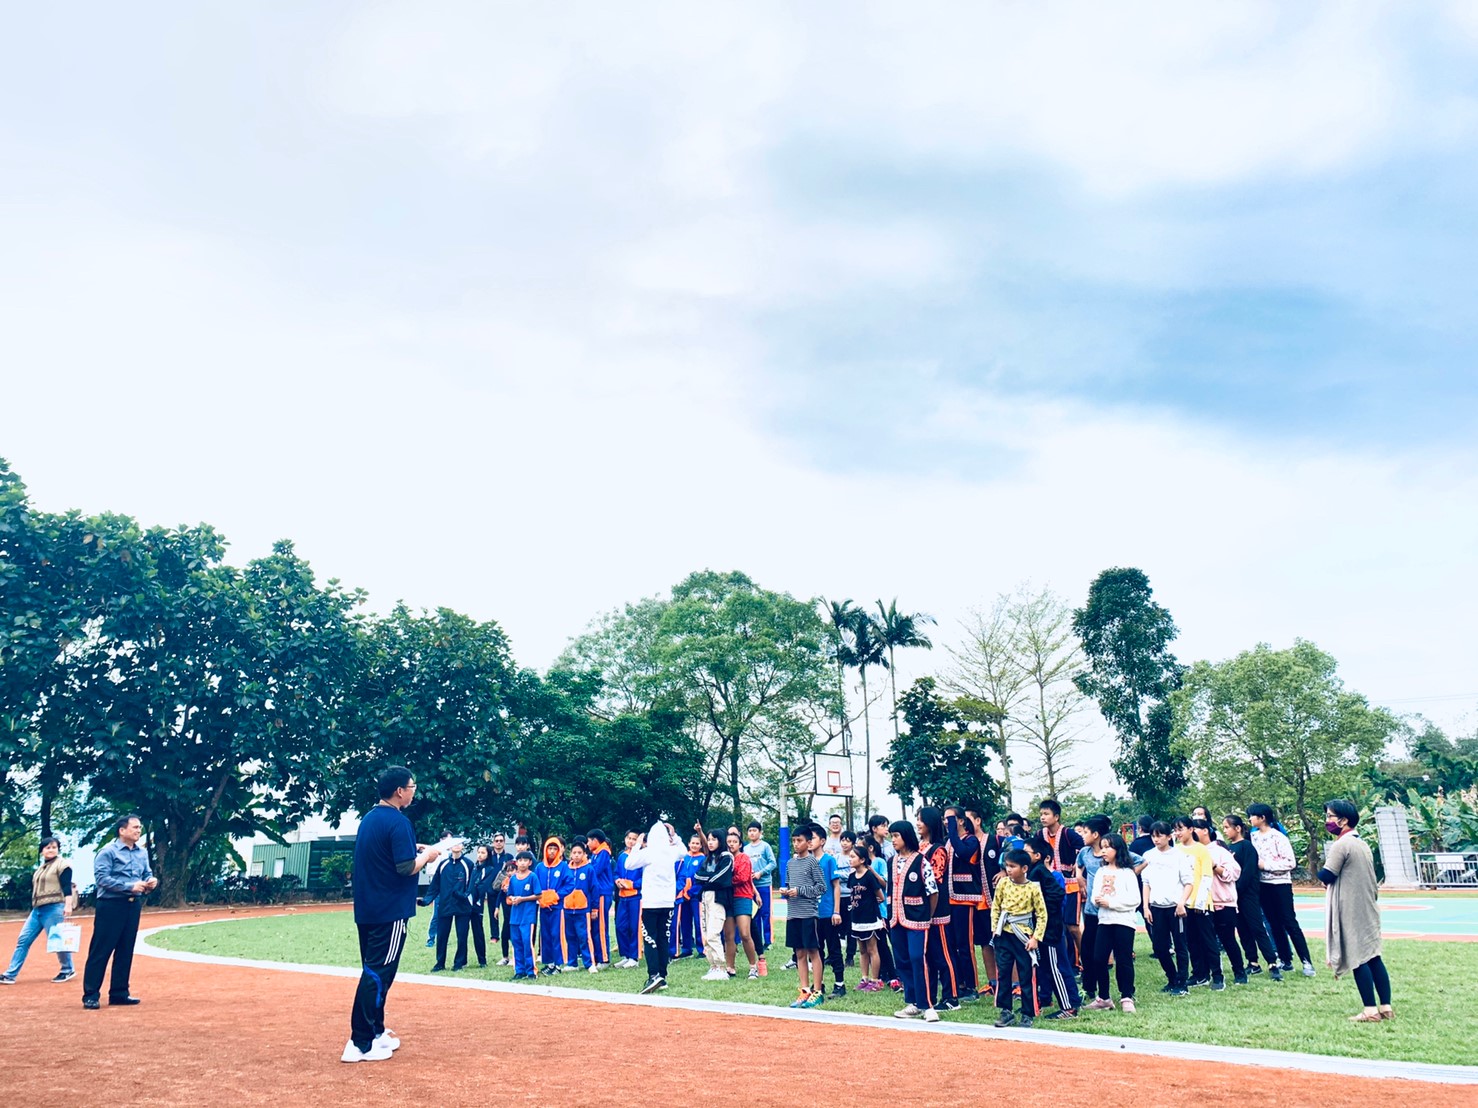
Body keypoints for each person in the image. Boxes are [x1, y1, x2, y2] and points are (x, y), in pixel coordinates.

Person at [343, 768, 440, 1062]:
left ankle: (376, 1031)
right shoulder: (399, 822)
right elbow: (405, 867)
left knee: (376, 970)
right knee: (378, 973)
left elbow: (384, 856)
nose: (414, 792)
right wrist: (427, 856)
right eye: (412, 787)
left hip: (368, 909)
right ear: (400, 791)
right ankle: (359, 1043)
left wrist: (414, 848)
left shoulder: (369, 819)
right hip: (390, 911)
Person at [1319, 799, 1391, 1022]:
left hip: (1351, 907)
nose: (1327, 821)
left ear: (1343, 820)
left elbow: (1327, 874)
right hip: (1367, 905)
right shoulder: (1362, 843)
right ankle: (1386, 1006)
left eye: (1330, 816)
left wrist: (1320, 876)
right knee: (1374, 956)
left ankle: (1369, 1010)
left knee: (1358, 958)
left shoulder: (1342, 845)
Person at [82, 814, 157, 1012]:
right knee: (101, 950)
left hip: (132, 905)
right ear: (122, 830)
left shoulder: (142, 853)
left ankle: (119, 993)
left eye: (139, 827)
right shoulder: (107, 852)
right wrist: (129, 886)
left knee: (125, 949)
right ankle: (91, 994)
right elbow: (102, 879)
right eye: (134, 827)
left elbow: (146, 873)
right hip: (110, 905)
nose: (138, 830)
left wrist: (151, 881)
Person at [1248, 803, 1316, 977]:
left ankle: (1306, 961)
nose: (1250, 819)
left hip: (1280, 885)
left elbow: (1290, 862)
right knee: (1273, 923)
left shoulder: (1278, 837)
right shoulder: (1253, 837)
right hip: (1263, 885)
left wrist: (1266, 865)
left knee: (1289, 922)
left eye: (1252, 816)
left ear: (1262, 818)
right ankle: (1285, 960)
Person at [2, 835, 78, 985]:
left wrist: (68, 905)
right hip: (38, 909)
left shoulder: (63, 865)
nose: (51, 850)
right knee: (23, 940)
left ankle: (67, 969)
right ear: (42, 851)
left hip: (54, 907)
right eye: (47, 847)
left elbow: (66, 886)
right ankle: (10, 974)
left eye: (54, 847)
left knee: (58, 940)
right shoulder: (41, 868)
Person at [886, 820, 939, 1023]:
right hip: (895, 919)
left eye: (896, 836)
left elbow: (932, 891)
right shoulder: (891, 862)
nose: (893, 840)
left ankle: (927, 1004)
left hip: (917, 919)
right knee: (902, 960)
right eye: (891, 836)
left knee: (918, 958)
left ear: (906, 836)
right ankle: (912, 1001)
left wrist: (927, 915)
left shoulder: (921, 861)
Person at [1025, 835, 1081, 1019]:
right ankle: (1059, 1001)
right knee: (1050, 967)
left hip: (1050, 929)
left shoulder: (1040, 872)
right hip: (1046, 928)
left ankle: (1069, 1007)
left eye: (1026, 852)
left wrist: (1042, 912)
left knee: (1056, 968)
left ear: (1038, 856)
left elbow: (1057, 894)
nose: (1023, 856)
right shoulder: (1035, 871)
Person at [1221, 814, 1283, 981]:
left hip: (1247, 895)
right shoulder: (1228, 848)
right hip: (1234, 897)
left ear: (1238, 828)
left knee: (1257, 928)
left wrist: (1238, 889)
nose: (1225, 830)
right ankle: (1253, 962)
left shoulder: (1247, 847)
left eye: (1227, 827)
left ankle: (1272, 962)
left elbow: (1248, 873)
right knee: (1242, 929)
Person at [990, 848, 1047, 1028]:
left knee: (1026, 975)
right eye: (1007, 865)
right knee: (1003, 973)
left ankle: (1028, 1012)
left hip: (1023, 937)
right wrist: (995, 929)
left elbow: (1042, 914)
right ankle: (1006, 1010)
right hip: (1004, 934)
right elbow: (996, 907)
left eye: (1013, 866)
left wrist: (1035, 938)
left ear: (1024, 868)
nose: (1008, 869)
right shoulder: (1003, 884)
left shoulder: (1033, 888)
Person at [627, 819, 685, 994]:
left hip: (651, 902)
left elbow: (629, 864)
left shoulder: (648, 852)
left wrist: (637, 845)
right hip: (668, 902)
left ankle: (654, 975)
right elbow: (683, 851)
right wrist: (675, 836)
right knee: (663, 938)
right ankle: (663, 975)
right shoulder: (671, 851)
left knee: (649, 938)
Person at [1086, 833, 1140, 1013]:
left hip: (1124, 922)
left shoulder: (1127, 873)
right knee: (1098, 958)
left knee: (1123, 959)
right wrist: (1098, 901)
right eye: (1102, 847)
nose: (1103, 851)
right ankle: (1103, 997)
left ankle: (1127, 996)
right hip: (1104, 921)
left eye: (1108, 847)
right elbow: (1094, 894)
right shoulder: (1101, 871)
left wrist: (1111, 903)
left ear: (1118, 849)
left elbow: (1135, 899)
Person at [1140, 821, 1192, 997]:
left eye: (1159, 835)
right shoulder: (1148, 856)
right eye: (1153, 836)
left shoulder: (1179, 855)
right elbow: (1146, 883)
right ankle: (1172, 977)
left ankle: (1182, 982)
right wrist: (1146, 907)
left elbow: (1188, 882)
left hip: (1175, 907)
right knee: (1160, 947)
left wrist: (1182, 903)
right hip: (1156, 907)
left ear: (1169, 836)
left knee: (1180, 945)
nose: (1156, 839)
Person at [915, 806, 959, 1012]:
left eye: (921, 820)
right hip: (922, 908)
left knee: (943, 955)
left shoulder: (938, 849)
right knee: (928, 956)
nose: (918, 823)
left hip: (938, 909)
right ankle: (929, 995)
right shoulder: (919, 847)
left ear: (930, 823)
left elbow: (936, 878)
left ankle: (952, 997)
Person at [779, 827, 825, 1008]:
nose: (796, 844)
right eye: (793, 841)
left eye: (799, 840)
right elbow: (789, 884)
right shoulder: (790, 863)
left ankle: (817, 991)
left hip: (808, 913)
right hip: (793, 913)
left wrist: (800, 891)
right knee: (799, 952)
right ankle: (804, 991)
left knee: (813, 951)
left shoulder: (812, 862)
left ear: (808, 842)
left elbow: (821, 887)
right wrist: (786, 891)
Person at [1037, 799, 1085, 973]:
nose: (1043, 817)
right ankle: (1064, 964)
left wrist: (1077, 867)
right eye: (1041, 814)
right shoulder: (1039, 834)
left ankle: (1086, 961)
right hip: (1049, 886)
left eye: (1046, 814)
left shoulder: (1068, 834)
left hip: (1069, 885)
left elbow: (1083, 849)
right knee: (1058, 927)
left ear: (1056, 817)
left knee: (1072, 927)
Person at [1172, 816, 1219, 989]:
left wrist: (1200, 902)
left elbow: (1207, 876)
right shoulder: (1176, 850)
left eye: (1180, 829)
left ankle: (1217, 975)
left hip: (1201, 903)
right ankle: (1199, 974)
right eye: (1175, 830)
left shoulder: (1201, 850)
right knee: (1191, 941)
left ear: (1191, 829)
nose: (1177, 833)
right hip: (1184, 904)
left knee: (1208, 940)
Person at [1198, 820, 1248, 985]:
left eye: (1195, 829)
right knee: (1207, 941)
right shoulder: (1192, 852)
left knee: (1228, 939)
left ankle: (1239, 972)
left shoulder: (1220, 851)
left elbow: (1233, 873)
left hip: (1223, 902)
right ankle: (1212, 974)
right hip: (1202, 904)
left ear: (1205, 831)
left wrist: (1214, 866)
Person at [943, 807, 983, 1002]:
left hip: (965, 899)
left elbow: (964, 853)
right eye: (945, 819)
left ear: (960, 821)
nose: (946, 822)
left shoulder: (971, 841)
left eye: (950, 819)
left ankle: (972, 986)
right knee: (950, 944)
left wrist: (952, 829)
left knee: (965, 945)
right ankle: (958, 983)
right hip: (948, 899)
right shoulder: (948, 842)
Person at [421, 839, 476, 972]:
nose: (456, 846)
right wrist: (426, 900)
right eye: (454, 844)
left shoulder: (468, 864)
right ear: (449, 847)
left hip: (462, 906)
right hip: (445, 905)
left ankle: (459, 963)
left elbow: (471, 885)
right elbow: (435, 885)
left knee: (462, 936)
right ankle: (440, 963)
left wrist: (464, 896)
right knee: (441, 935)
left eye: (459, 843)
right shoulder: (443, 864)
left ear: (463, 847)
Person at [692, 823, 734, 981]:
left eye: (714, 839)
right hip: (705, 898)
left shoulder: (726, 857)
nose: (710, 842)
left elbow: (721, 878)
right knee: (705, 933)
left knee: (713, 933)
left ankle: (721, 967)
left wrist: (706, 880)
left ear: (720, 841)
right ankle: (713, 966)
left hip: (718, 898)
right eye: (709, 839)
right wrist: (707, 880)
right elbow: (697, 876)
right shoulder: (708, 858)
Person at [810, 823, 846, 997]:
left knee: (834, 949)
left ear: (823, 841)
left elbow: (836, 886)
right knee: (815, 950)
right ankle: (819, 984)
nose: (809, 841)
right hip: (812, 914)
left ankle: (840, 984)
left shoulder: (829, 860)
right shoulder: (806, 862)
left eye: (812, 838)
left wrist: (836, 911)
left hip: (827, 912)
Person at [846, 839, 887, 991]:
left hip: (870, 918)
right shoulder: (851, 877)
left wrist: (870, 903)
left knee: (872, 949)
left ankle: (875, 981)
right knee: (862, 950)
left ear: (862, 860)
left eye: (853, 857)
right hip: (857, 918)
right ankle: (864, 978)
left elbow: (880, 896)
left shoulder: (869, 876)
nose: (850, 860)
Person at [725, 827, 760, 980]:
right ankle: (730, 967)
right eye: (729, 842)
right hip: (728, 898)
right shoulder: (724, 858)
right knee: (729, 935)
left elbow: (743, 877)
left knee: (745, 934)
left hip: (743, 897)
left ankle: (753, 967)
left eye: (734, 841)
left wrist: (725, 880)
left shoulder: (744, 858)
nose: (731, 844)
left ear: (740, 844)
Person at [535, 835, 571, 973]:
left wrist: (557, 895)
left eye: (554, 849)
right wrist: (540, 898)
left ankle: (558, 964)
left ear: (559, 851)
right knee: (545, 935)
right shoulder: (540, 867)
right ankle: (549, 963)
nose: (551, 851)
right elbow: (535, 883)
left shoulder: (563, 866)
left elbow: (570, 884)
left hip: (557, 908)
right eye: (549, 848)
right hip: (544, 907)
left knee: (557, 935)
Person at [503, 852, 542, 980]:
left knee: (527, 942)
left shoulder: (532, 877)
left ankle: (531, 970)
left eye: (525, 860)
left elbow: (538, 895)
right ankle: (519, 970)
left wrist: (522, 899)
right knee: (516, 943)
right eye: (520, 860)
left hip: (528, 916)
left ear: (530, 862)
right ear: (517, 862)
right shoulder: (513, 878)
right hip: (515, 916)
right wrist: (513, 898)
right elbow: (509, 895)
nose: (523, 863)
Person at [743, 821, 776, 966]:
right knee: (753, 915)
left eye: (754, 830)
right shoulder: (745, 849)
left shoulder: (765, 846)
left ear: (760, 832)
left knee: (765, 913)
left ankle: (768, 941)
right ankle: (757, 941)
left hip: (764, 884)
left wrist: (760, 873)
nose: (752, 833)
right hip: (750, 886)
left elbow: (773, 863)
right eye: (750, 830)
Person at [585, 829, 617, 968]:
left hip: (603, 893)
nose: (587, 844)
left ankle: (604, 958)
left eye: (589, 841)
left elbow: (594, 871)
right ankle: (597, 957)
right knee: (594, 927)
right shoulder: (595, 853)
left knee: (601, 926)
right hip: (596, 893)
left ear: (595, 841)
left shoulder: (603, 852)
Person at [671, 833, 705, 959]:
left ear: (701, 845)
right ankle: (686, 948)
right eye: (693, 843)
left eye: (697, 843)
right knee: (684, 922)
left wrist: (691, 892)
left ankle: (702, 949)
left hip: (695, 896)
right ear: (689, 844)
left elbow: (701, 879)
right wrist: (681, 891)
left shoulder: (702, 859)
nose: (694, 845)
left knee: (698, 922)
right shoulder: (683, 857)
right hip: (682, 895)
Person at [613, 830, 644, 969]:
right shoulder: (622, 856)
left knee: (634, 927)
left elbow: (645, 878)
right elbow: (616, 873)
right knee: (620, 926)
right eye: (629, 838)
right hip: (623, 897)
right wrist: (618, 881)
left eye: (634, 839)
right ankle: (625, 955)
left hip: (636, 897)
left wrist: (632, 884)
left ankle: (634, 957)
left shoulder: (642, 857)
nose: (631, 841)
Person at [483, 833, 515, 965]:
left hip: (506, 890)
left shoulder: (508, 857)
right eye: (496, 840)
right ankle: (494, 935)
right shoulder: (489, 857)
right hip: (492, 889)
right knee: (493, 913)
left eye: (501, 840)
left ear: (504, 842)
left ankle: (511, 948)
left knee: (508, 916)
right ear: (493, 842)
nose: (499, 843)